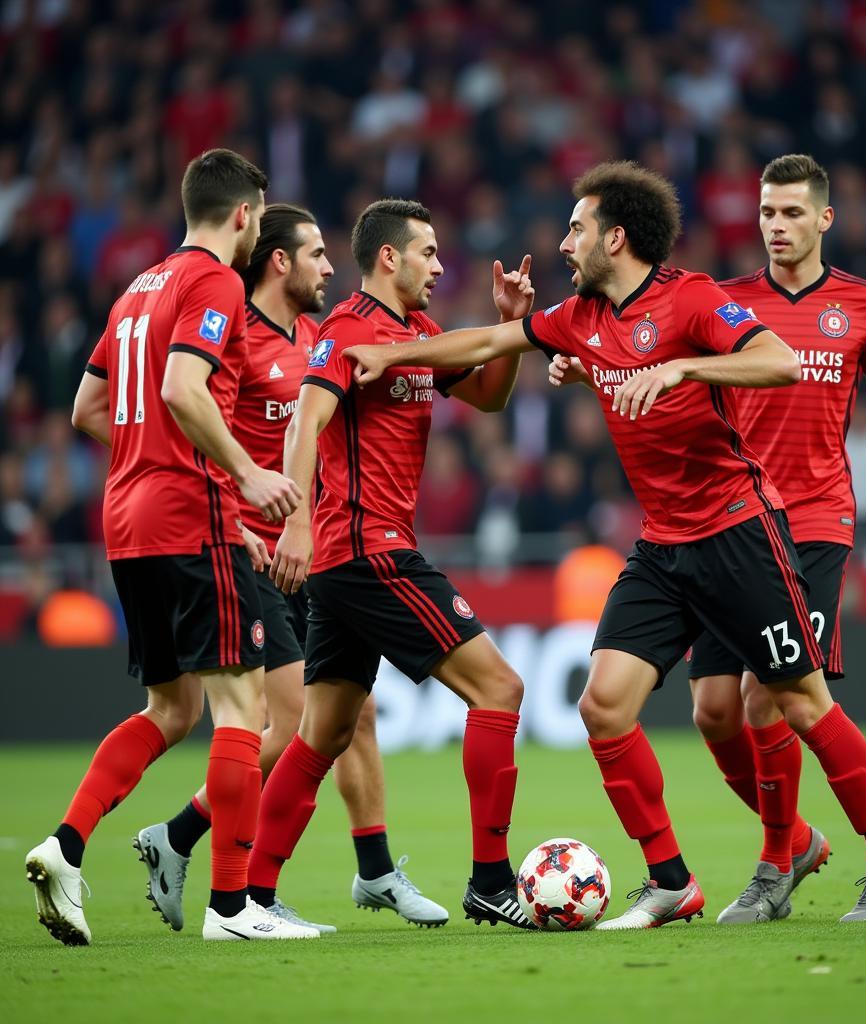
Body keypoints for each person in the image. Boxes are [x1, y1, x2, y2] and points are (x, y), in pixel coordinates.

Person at [344, 160, 866, 929]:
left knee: (801, 702)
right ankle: (672, 879)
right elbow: (487, 339)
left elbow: (777, 361)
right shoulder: (578, 315)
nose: (563, 242)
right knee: (604, 706)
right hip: (663, 548)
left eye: (577, 229)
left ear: (615, 237)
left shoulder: (691, 299)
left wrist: (682, 364)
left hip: (738, 533)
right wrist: (395, 354)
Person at [551, 154, 866, 925]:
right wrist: (591, 375)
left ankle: (810, 862)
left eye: (789, 214)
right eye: (766, 214)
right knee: (715, 710)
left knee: (771, 696)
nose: (775, 227)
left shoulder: (864, 304)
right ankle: (795, 846)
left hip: (810, 521)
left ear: (824, 219)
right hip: (728, 523)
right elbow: (646, 366)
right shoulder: (721, 300)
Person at [26, 149, 315, 944]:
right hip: (190, 516)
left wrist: (155, 461)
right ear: (244, 216)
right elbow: (182, 389)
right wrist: (246, 476)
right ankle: (231, 908)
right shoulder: (214, 281)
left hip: (128, 522)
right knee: (240, 706)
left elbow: (90, 407)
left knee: (171, 706)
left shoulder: (136, 289)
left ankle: (66, 843)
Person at [134, 203, 448, 934]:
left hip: (318, 554)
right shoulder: (230, 332)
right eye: (315, 254)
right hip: (255, 556)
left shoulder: (318, 335)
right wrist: (242, 521)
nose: (330, 267)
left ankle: (372, 872)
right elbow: (183, 423)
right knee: (295, 723)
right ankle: (206, 865)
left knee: (352, 715)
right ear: (280, 259)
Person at [248, 199, 538, 929]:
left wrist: (504, 333)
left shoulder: (416, 334)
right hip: (367, 551)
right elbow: (306, 420)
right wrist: (300, 524)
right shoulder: (348, 329)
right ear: (388, 257)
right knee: (500, 689)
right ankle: (492, 881)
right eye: (428, 253)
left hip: (359, 556)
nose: (440, 266)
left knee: (324, 735)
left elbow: (489, 399)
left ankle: (251, 899)